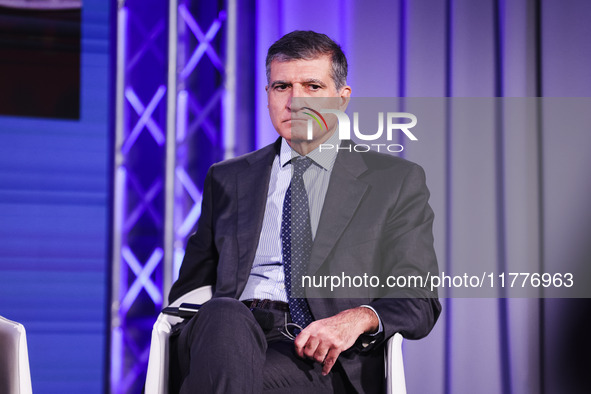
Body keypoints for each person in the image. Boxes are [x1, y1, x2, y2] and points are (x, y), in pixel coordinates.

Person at [168, 30, 441, 394]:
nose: (295, 101)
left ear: (342, 99)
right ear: (267, 96)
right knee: (223, 315)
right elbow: (190, 287)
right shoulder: (227, 178)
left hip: (316, 354)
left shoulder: (393, 181)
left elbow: (418, 299)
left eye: (312, 87)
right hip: (225, 333)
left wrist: (355, 319)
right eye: (281, 87)